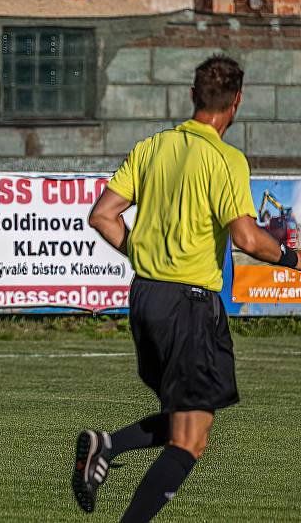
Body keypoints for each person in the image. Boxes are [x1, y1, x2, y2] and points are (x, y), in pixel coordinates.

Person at [73, 55, 300, 522]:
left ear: (193, 96)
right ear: (237, 102)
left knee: (188, 417)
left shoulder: (153, 146)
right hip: (189, 306)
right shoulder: (225, 158)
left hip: (146, 299)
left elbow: (102, 215)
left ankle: (107, 445)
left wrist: (145, 256)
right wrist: (294, 258)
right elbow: (246, 238)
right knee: (190, 440)